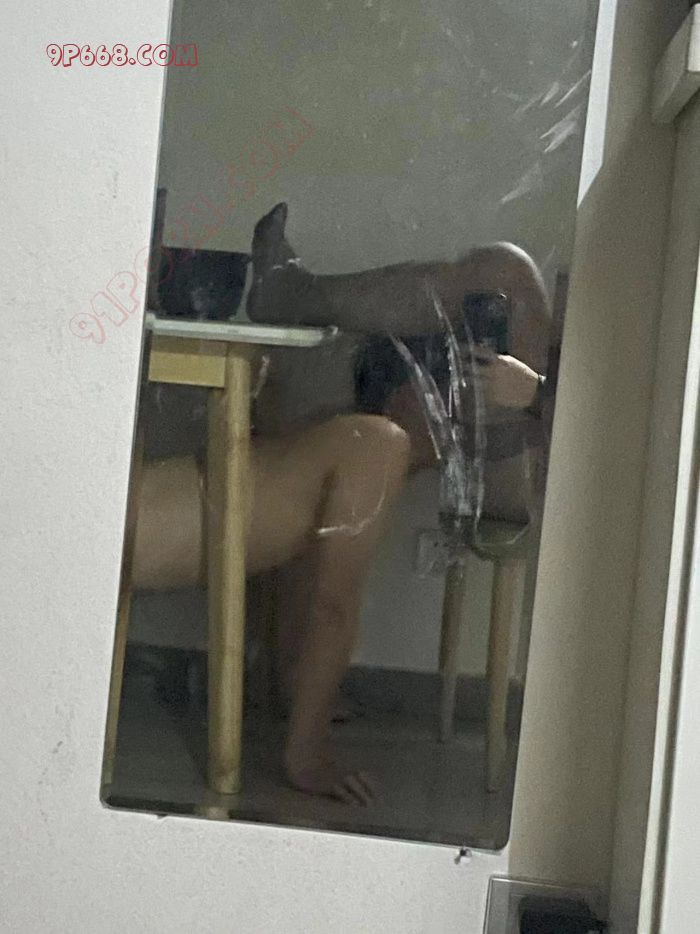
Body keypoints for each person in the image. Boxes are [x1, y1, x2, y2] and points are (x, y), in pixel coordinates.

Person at [131, 412, 410, 805]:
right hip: (122, 533)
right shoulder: (379, 443)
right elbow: (332, 608)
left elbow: (310, 593)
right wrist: (306, 757)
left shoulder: (334, 435)